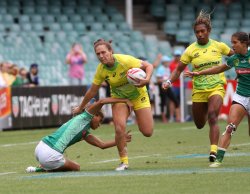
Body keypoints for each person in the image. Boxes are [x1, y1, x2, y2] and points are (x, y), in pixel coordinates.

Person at [162, 10, 234, 162]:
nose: (200, 34)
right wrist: (169, 81)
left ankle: (213, 151)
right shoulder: (190, 50)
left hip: (217, 86)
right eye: (197, 32)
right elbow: (178, 69)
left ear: (208, 31)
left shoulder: (219, 46)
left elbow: (236, 56)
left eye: (202, 31)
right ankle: (208, 110)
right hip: (199, 90)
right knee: (200, 124)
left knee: (213, 116)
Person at [72, 39, 154, 171]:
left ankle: (140, 118)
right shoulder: (101, 70)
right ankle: (124, 162)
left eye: (103, 52)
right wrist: (81, 107)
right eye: (98, 54)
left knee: (147, 132)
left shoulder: (125, 60)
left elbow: (149, 66)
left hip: (139, 95)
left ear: (111, 51)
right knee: (119, 128)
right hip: (119, 99)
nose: (101, 56)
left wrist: (147, 79)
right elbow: (92, 91)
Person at [186, 32, 250, 167]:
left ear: (244, 43)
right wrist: (199, 73)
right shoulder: (235, 58)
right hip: (241, 96)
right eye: (231, 42)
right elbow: (219, 68)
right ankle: (218, 160)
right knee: (230, 127)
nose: (232, 46)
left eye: (235, 43)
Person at [26, 97, 132, 173]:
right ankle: (44, 168)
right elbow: (102, 101)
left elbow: (102, 145)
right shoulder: (86, 117)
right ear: (95, 115)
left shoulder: (84, 132)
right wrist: (124, 100)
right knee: (76, 167)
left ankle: (39, 168)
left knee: (63, 162)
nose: (99, 125)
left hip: (40, 146)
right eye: (100, 121)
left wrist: (121, 139)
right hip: (50, 154)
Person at [154, 54, 180, 122]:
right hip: (162, 87)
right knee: (163, 102)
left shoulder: (168, 69)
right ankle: (164, 118)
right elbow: (158, 80)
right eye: (167, 62)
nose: (168, 63)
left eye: (168, 62)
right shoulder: (160, 69)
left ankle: (178, 117)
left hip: (168, 87)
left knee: (175, 100)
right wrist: (165, 80)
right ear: (163, 62)